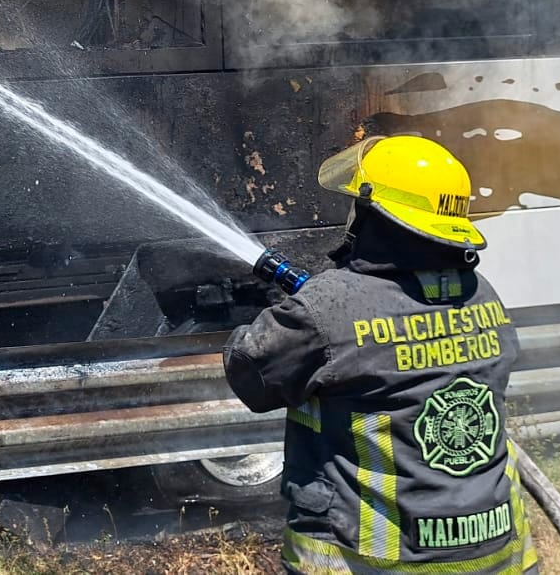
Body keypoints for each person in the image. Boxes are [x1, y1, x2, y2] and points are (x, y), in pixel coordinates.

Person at [224, 135, 537, 575]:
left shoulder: (329, 307)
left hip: (375, 560)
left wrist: (308, 309)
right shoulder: (481, 294)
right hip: (495, 555)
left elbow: (249, 372)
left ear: (373, 215)